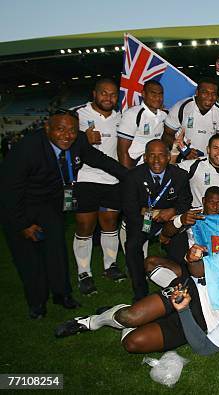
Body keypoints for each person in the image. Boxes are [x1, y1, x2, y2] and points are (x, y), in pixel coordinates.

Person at [1, 109, 126, 319]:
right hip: (21, 207)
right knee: (30, 259)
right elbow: (9, 192)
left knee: (56, 252)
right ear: (47, 128)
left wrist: (130, 176)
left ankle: (62, 294)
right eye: (60, 129)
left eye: (72, 130)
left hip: (50, 205)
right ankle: (37, 303)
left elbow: (100, 159)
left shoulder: (77, 142)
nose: (67, 135)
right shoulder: (27, 148)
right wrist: (24, 224)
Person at [71, 78, 126, 295]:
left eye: (113, 95)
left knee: (110, 222)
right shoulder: (78, 115)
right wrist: (82, 137)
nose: (108, 98)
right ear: (94, 94)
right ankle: (84, 272)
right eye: (104, 93)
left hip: (113, 180)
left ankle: (109, 266)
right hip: (86, 178)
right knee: (85, 225)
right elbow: (62, 138)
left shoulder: (121, 118)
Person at [121, 139, 192, 301]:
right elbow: (130, 209)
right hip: (143, 221)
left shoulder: (179, 175)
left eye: (161, 156)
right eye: (152, 156)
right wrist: (150, 218)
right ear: (145, 157)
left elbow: (185, 202)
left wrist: (173, 211)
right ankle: (140, 291)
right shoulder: (133, 176)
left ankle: (179, 284)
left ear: (168, 157)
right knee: (132, 246)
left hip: (169, 221)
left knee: (180, 249)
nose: (156, 160)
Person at [163, 78, 219, 159]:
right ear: (197, 92)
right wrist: (185, 150)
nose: (210, 97)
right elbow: (166, 136)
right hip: (183, 158)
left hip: (208, 162)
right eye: (205, 92)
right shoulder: (182, 107)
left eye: (213, 93)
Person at [177, 133, 219, 211]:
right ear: (208, 149)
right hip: (197, 217)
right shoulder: (195, 165)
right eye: (216, 148)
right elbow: (169, 171)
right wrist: (175, 151)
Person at [117, 80, 166, 168]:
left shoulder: (163, 115)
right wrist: (128, 176)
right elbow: (122, 151)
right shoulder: (133, 114)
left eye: (160, 94)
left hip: (155, 166)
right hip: (135, 166)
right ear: (143, 94)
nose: (157, 98)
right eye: (153, 94)